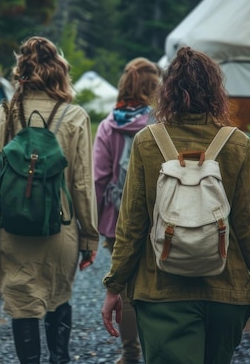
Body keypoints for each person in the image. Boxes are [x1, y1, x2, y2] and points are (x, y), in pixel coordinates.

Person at [100, 46, 250, 364]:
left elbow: (132, 226)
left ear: (167, 93)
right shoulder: (237, 144)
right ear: (216, 92)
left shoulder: (147, 141)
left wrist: (114, 287)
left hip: (161, 292)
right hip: (226, 293)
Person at [0, 36, 99, 364]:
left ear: (20, 71)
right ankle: (60, 359)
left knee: (22, 307)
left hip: (12, 231)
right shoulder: (75, 116)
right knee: (58, 299)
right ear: (59, 72)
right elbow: (84, 184)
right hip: (61, 231)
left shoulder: (4, 113)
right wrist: (89, 237)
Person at [93, 57, 160, 364]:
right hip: (159, 217)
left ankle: (131, 354)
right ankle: (157, 350)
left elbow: (99, 177)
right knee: (161, 283)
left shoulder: (109, 125)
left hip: (117, 218)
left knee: (128, 288)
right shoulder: (161, 123)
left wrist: (93, 224)